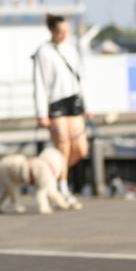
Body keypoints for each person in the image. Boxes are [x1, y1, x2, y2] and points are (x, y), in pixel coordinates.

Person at [32, 13, 88, 209]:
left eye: (66, 31)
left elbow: (81, 78)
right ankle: (63, 189)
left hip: (74, 100)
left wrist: (88, 105)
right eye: (59, 31)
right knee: (63, 146)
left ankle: (52, 174)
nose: (63, 35)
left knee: (80, 148)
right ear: (52, 31)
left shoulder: (72, 49)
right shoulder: (43, 52)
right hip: (55, 103)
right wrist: (41, 113)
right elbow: (39, 83)